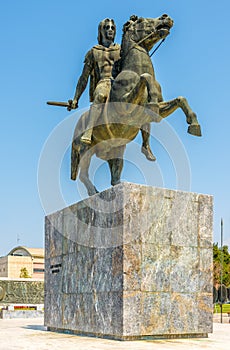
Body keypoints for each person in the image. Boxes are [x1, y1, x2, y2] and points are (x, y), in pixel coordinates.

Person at [71, 18, 155, 161]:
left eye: (112, 28)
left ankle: (146, 144)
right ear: (101, 31)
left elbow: (137, 47)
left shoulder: (120, 50)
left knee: (142, 100)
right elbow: (83, 78)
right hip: (104, 82)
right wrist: (75, 98)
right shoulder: (93, 52)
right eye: (107, 27)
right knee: (100, 95)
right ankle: (89, 131)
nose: (110, 30)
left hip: (120, 84)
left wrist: (132, 24)